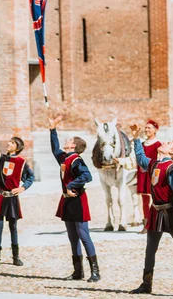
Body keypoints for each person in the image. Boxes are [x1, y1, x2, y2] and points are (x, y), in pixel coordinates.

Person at [129, 123, 173, 294]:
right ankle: (146, 284)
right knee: (150, 249)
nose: (164, 143)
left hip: (171, 213)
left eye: (169, 144)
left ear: (171, 152)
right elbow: (141, 159)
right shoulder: (155, 164)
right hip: (155, 212)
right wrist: (136, 138)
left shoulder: (172, 169)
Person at [48, 116, 100, 282]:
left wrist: (71, 186)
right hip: (67, 201)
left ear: (74, 146)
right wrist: (52, 129)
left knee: (84, 235)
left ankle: (95, 272)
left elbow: (87, 176)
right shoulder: (65, 158)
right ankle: (78, 272)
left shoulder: (77, 160)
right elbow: (55, 149)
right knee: (72, 237)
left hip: (78, 200)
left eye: (69, 140)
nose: (66, 140)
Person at [0, 124, 35, 268]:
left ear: (17, 147)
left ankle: (15, 256)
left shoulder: (21, 162)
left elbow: (31, 177)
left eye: (12, 143)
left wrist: (23, 187)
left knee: (13, 227)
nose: (8, 144)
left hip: (11, 197)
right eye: (9, 142)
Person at [138, 120, 161, 233]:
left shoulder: (158, 145)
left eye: (149, 128)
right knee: (144, 200)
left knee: (155, 199)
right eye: (146, 128)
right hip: (142, 174)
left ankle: (156, 223)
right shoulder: (141, 145)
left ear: (155, 130)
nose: (147, 130)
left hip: (153, 174)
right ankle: (146, 224)